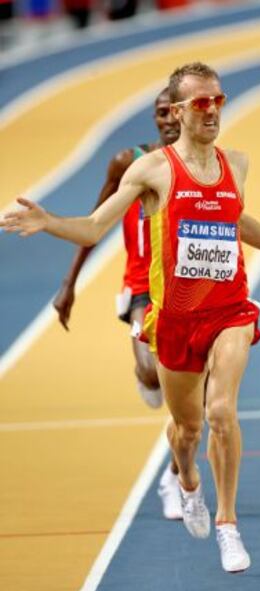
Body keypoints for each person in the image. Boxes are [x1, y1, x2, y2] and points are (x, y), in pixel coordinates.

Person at [1, 62, 260, 572]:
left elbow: (236, 220)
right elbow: (94, 227)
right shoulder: (151, 170)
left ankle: (227, 524)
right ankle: (187, 481)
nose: (214, 110)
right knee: (187, 429)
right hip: (175, 319)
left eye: (219, 100)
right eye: (202, 102)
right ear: (177, 111)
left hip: (230, 309)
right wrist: (47, 222)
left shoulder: (235, 163)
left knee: (222, 413)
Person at [53, 87, 183, 521]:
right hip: (143, 286)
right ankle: (145, 376)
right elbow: (94, 223)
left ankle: (173, 474)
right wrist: (69, 284)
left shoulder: (203, 163)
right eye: (160, 112)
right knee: (152, 371)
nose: (167, 119)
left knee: (190, 400)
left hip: (188, 287)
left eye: (174, 111)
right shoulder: (128, 162)